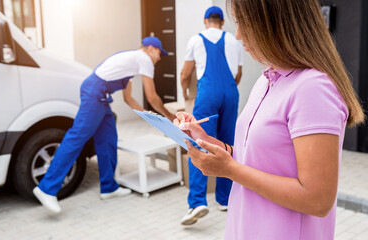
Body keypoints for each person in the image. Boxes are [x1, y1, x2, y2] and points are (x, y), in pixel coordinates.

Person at [174, 0, 365, 239]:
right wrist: (208, 142)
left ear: (276, 23)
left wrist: (231, 170)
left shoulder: (313, 88)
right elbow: (257, 159)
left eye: (244, 23)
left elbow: (318, 199)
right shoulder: (267, 80)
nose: (239, 35)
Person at [33, 36, 176, 214]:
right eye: (159, 54)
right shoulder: (144, 58)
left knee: (108, 138)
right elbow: (152, 97)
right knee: (77, 137)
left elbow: (128, 99)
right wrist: (169, 116)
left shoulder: (130, 63)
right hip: (95, 93)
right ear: (151, 49)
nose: (159, 58)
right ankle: (46, 188)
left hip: (101, 96)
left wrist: (147, 116)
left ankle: (109, 188)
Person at [180, 6, 243, 225]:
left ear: (205, 20)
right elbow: (238, 74)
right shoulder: (235, 41)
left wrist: (186, 92)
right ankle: (225, 199)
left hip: (207, 94)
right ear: (223, 22)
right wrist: (227, 92)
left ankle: (197, 201)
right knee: (226, 143)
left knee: (198, 142)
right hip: (230, 93)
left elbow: (185, 73)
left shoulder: (196, 39)